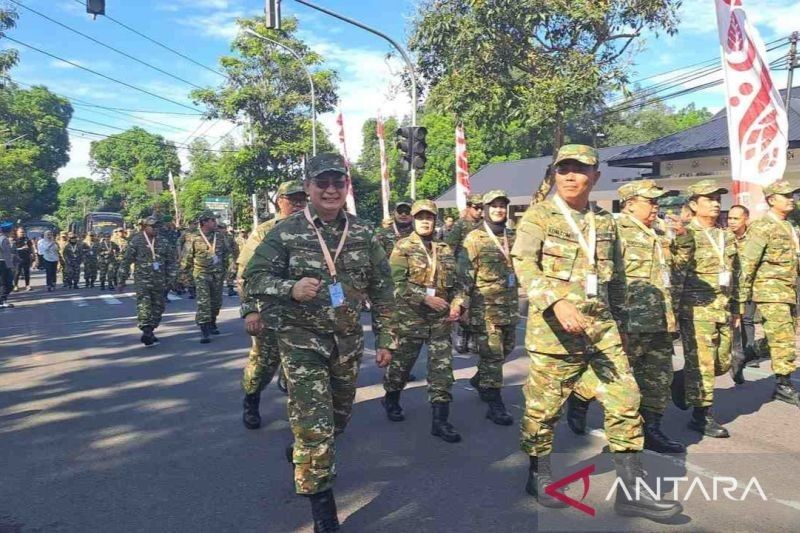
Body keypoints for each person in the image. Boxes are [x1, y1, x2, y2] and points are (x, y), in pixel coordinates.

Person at [511, 145, 680, 519]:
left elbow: (616, 278)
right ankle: (537, 473)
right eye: (563, 169)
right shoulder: (539, 216)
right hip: (554, 334)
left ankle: (631, 492)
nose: (570, 176)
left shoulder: (604, 222)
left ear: (596, 177)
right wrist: (554, 300)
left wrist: (622, 322)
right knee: (543, 411)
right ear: (555, 175)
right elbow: (523, 262)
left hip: (601, 330)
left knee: (626, 399)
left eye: (580, 169)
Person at [243, 153, 396, 531]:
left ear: (346, 188)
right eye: (321, 183)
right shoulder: (285, 232)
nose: (330, 190)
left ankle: (304, 453)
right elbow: (253, 277)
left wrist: (386, 338)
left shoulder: (364, 233)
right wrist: (289, 288)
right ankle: (324, 512)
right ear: (308, 188)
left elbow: (383, 289)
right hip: (300, 341)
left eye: (337, 183)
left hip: (346, 343)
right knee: (316, 425)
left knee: (339, 419)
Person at [566, 180, 685, 454]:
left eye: (657, 202)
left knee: (659, 377)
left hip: (660, 319)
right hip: (629, 320)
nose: (656, 207)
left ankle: (652, 429)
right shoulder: (615, 229)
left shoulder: (659, 232)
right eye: (650, 201)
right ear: (630, 203)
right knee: (617, 376)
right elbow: (603, 276)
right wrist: (609, 320)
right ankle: (581, 395)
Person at [382, 199, 463, 442]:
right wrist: (424, 299)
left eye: (429, 217)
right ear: (414, 220)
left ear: (435, 220)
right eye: (420, 217)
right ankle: (391, 397)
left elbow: (458, 284)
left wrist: (459, 302)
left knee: (442, 370)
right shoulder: (402, 247)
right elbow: (395, 283)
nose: (425, 221)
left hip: (440, 321)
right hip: (411, 318)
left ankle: (440, 421)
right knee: (400, 367)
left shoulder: (445, 249)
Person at [238, 180, 307, 430]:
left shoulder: (316, 229)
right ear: (280, 201)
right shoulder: (264, 232)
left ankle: (303, 425)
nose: (299, 204)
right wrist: (251, 310)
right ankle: (251, 400)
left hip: (307, 316)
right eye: (293, 199)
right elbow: (246, 275)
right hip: (271, 313)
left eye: (303, 199)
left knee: (303, 369)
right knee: (263, 365)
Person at [671, 180, 735, 438]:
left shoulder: (725, 235)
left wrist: (738, 307)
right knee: (705, 364)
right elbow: (677, 275)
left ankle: (682, 379)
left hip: (723, 307)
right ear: (694, 205)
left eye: (717, 197)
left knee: (722, 362)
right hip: (696, 310)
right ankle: (701, 416)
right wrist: (673, 313)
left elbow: (735, 273)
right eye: (708, 198)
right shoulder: (686, 236)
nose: (715, 202)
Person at [736, 181, 800, 405]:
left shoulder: (789, 226)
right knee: (783, 338)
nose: (790, 198)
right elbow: (748, 263)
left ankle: (748, 353)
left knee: (785, 335)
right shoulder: (762, 226)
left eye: (791, 194)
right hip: (770, 291)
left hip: (789, 289)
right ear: (772, 200)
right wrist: (741, 299)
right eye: (785, 195)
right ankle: (784, 384)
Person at [461, 190, 518, 426]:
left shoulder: (513, 236)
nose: (498, 210)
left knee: (508, 348)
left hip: (510, 306)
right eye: (493, 206)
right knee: (493, 355)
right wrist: (461, 304)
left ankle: (480, 378)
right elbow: (465, 275)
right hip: (485, 309)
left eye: (502, 206)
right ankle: (495, 404)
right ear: (485, 210)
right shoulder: (474, 238)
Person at [117, 217, 177, 346]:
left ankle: (151, 328)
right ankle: (146, 329)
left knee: (158, 307)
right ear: (145, 227)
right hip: (142, 280)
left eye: (157, 227)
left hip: (160, 281)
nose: (156, 229)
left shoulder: (163, 242)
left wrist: (172, 279)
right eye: (153, 227)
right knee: (144, 305)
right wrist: (121, 280)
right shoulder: (136, 241)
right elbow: (126, 261)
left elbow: (171, 262)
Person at [181, 211, 230, 343]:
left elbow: (227, 254)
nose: (215, 223)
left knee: (216, 302)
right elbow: (187, 258)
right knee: (204, 302)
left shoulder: (219, 236)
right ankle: (204, 329)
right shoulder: (194, 237)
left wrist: (229, 269)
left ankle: (212, 321)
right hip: (201, 273)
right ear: (204, 222)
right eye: (212, 220)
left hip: (218, 275)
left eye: (215, 220)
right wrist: (184, 276)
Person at [727, 204, 758, 381]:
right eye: (730, 218)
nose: (732, 222)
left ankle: (746, 356)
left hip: (748, 287)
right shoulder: (723, 237)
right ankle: (733, 357)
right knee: (731, 324)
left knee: (746, 320)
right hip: (728, 287)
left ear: (746, 218)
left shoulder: (754, 238)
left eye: (736, 218)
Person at [219, 222, 239, 297]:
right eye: (219, 228)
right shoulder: (215, 236)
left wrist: (236, 258)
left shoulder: (229, 237)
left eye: (222, 228)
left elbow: (235, 248)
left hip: (229, 257)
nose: (220, 230)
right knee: (219, 274)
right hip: (219, 257)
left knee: (230, 272)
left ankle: (230, 289)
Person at [0, 222, 16, 308]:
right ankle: (2, 301)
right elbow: (6, 254)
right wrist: (11, 265)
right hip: (3, 263)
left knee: (3, 283)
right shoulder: (4, 239)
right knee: (7, 283)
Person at [13, 227, 34, 291]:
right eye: (21, 232)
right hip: (18, 258)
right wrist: (21, 248)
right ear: (17, 232)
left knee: (26, 272)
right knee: (17, 272)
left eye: (23, 232)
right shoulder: (15, 240)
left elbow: (31, 247)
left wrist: (32, 253)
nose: (22, 233)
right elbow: (13, 250)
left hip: (26, 258)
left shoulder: (27, 240)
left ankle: (27, 285)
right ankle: (15, 285)